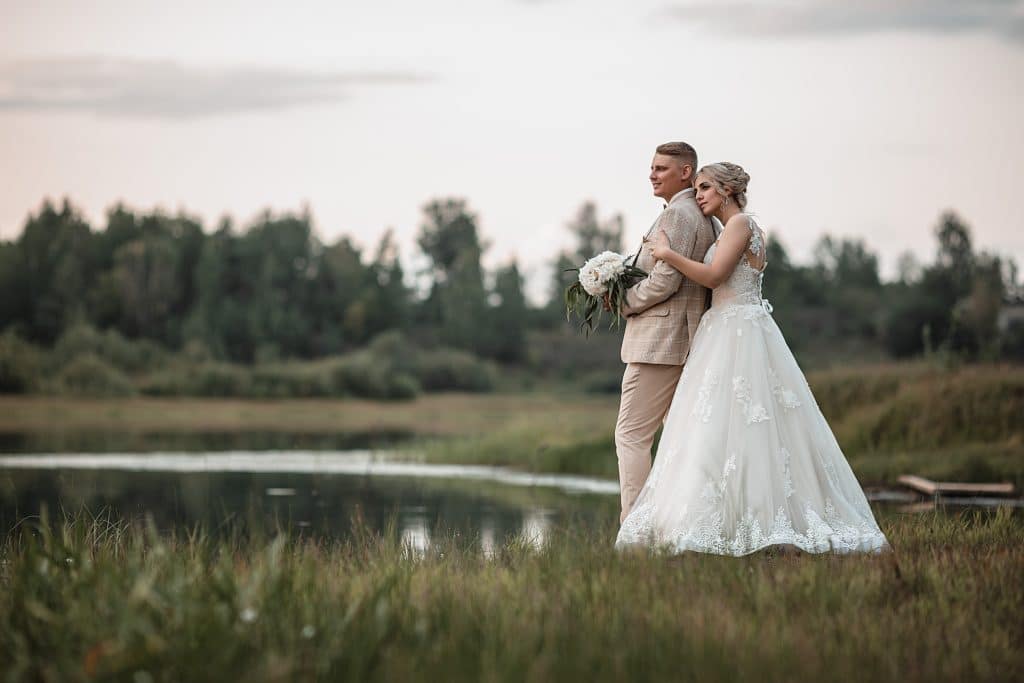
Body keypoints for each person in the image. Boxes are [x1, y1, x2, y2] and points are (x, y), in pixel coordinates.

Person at [615, 162, 889, 555]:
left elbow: (712, 276)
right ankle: (726, 512)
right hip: (732, 325)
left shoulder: (741, 224)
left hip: (735, 330)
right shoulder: (736, 228)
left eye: (706, 188)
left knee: (737, 424)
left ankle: (748, 520)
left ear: (727, 189)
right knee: (726, 427)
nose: (700, 196)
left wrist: (667, 255)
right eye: (697, 189)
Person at [613, 142, 716, 524]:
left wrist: (623, 301)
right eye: (651, 168)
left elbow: (665, 282)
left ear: (686, 172)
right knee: (677, 441)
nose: (653, 175)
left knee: (631, 436)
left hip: (661, 342)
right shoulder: (700, 215)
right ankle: (679, 523)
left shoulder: (679, 215)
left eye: (661, 168)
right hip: (682, 339)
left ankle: (636, 527)